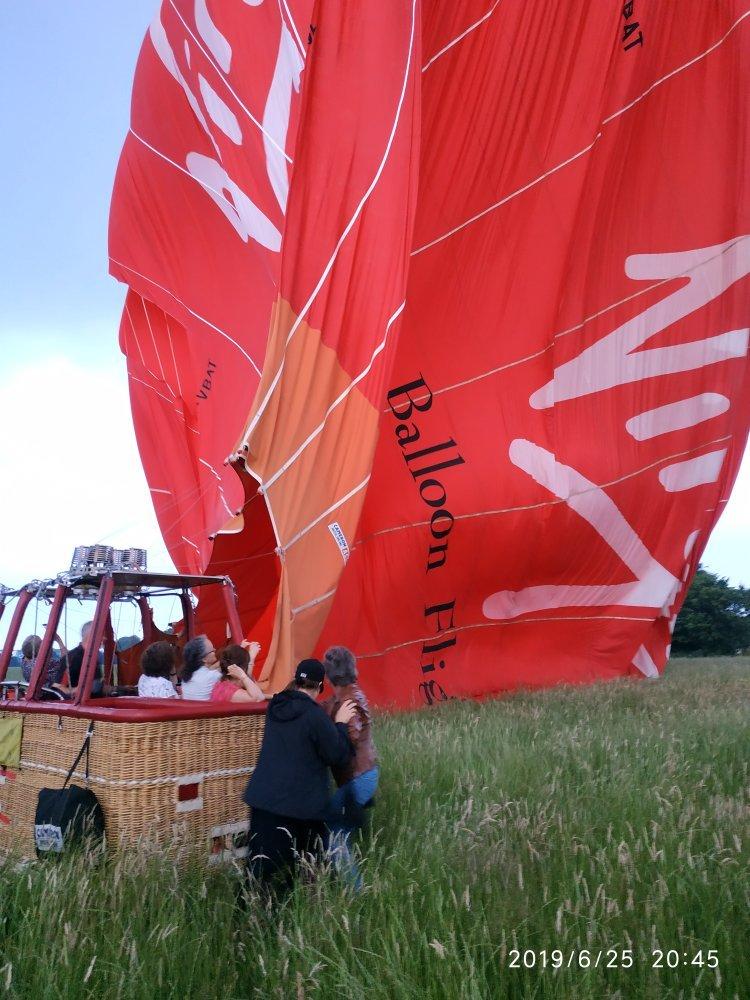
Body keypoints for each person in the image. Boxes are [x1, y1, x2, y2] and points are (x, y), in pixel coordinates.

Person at [242, 659, 357, 896]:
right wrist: (340, 724)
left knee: (258, 872)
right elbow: (337, 755)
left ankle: (247, 915)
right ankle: (307, 905)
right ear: (320, 686)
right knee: (306, 868)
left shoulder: (275, 708)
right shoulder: (315, 716)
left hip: (263, 801)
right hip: (300, 808)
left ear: (296, 680)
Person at [321, 646, 379, 888]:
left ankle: (355, 890)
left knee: (333, 833)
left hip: (357, 778)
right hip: (364, 775)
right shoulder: (346, 695)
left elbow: (351, 735)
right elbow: (325, 707)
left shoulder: (349, 701)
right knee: (337, 829)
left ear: (329, 674)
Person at [54, 621, 104, 697]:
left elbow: (96, 687)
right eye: (102, 634)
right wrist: (82, 689)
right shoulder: (73, 658)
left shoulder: (94, 657)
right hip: (77, 703)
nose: (105, 638)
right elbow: (58, 688)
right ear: (91, 635)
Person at [180, 635, 220, 700]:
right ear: (204, 659)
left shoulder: (186, 677)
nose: (215, 649)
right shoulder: (213, 676)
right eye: (212, 650)